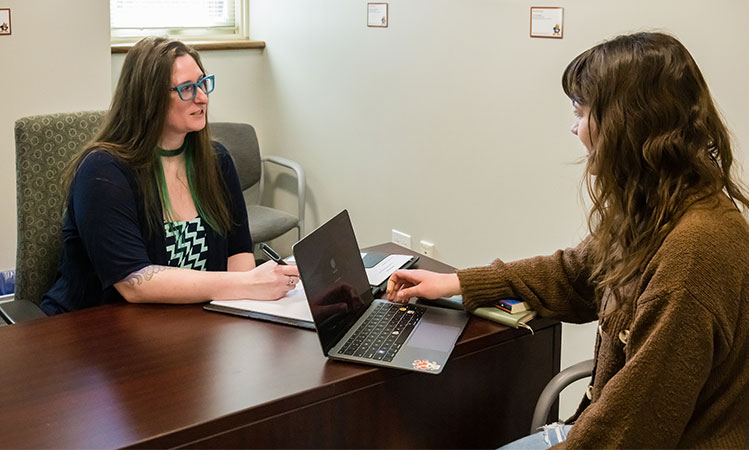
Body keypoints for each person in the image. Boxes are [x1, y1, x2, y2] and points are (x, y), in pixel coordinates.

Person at [387, 32, 749, 448]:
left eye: (581, 112)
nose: (574, 128)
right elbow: (577, 273)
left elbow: (630, 432)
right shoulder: (665, 206)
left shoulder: (694, 253)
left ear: (628, 123)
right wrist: (457, 283)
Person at [40, 37, 299, 315]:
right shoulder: (102, 171)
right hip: (93, 332)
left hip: (188, 325)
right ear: (148, 98)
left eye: (203, 83)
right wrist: (247, 284)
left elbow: (237, 253)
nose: (203, 97)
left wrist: (249, 298)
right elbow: (135, 283)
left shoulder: (216, 161)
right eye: (187, 88)